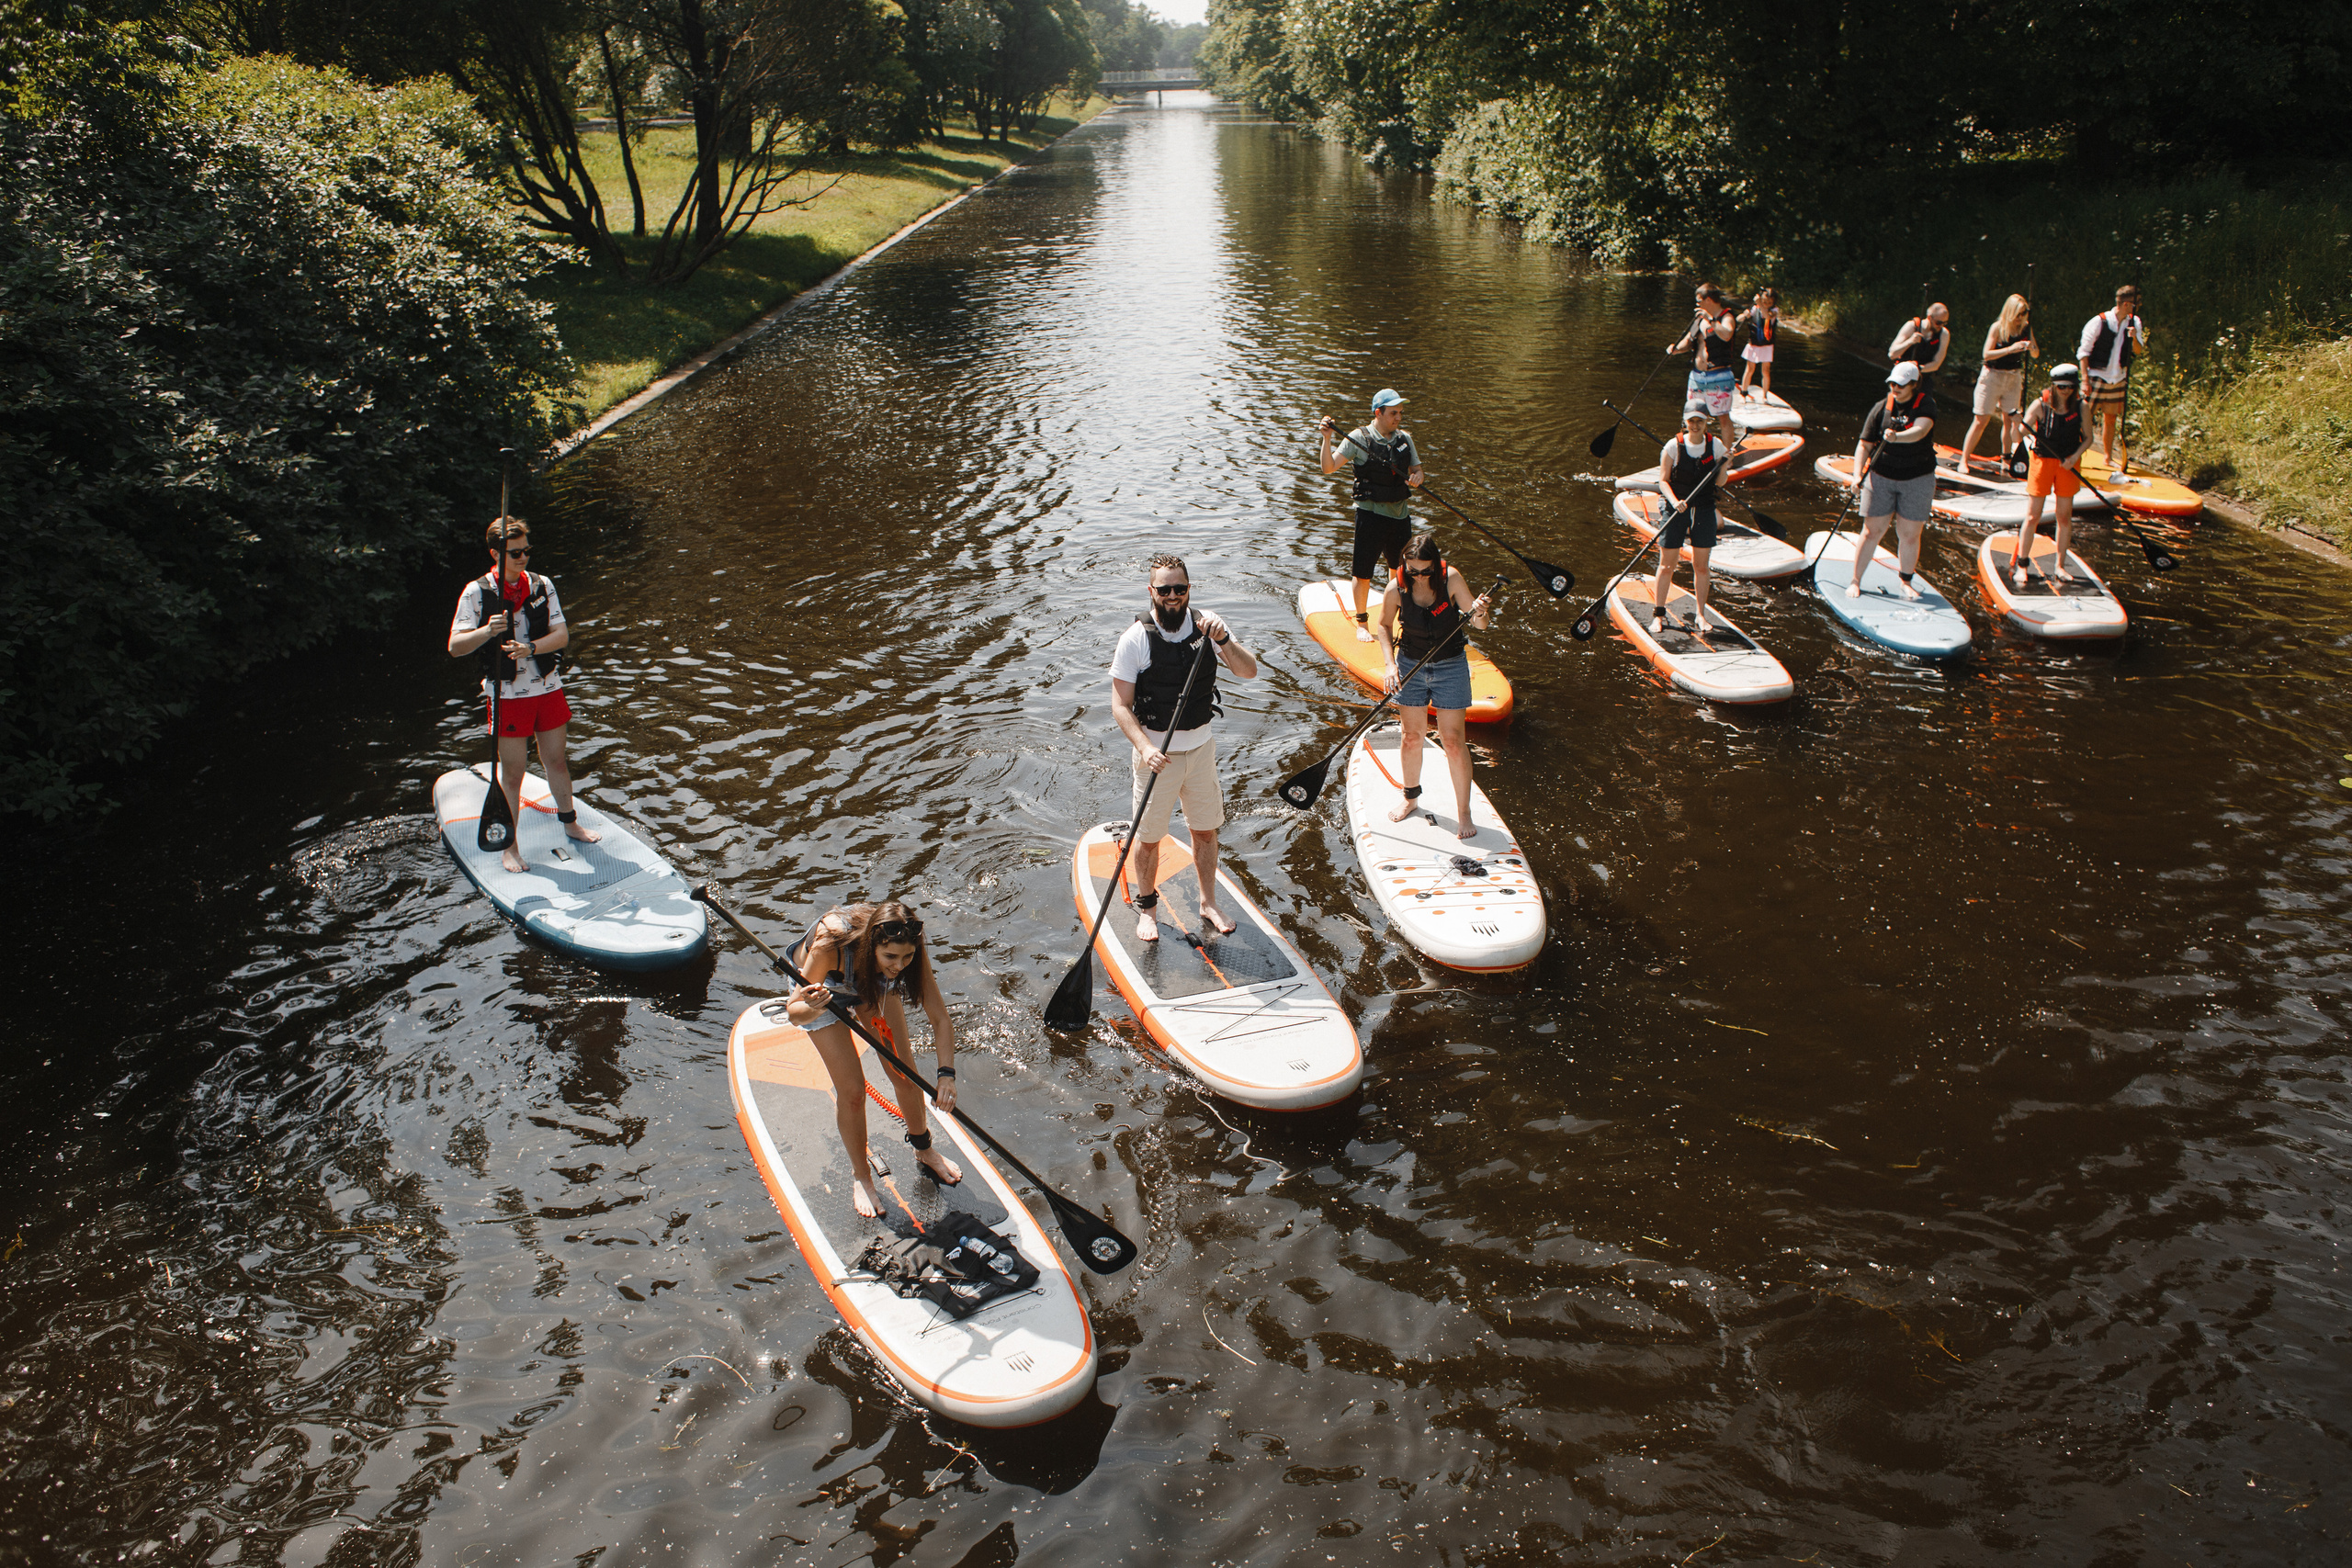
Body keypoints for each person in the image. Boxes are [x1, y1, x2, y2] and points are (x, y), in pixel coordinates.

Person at [1108, 555, 1261, 942]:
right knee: (1149, 837)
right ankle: (1148, 909)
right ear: (1152, 592)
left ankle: (1208, 902)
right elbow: (1119, 706)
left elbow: (1248, 671)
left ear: (1189, 588)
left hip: (1201, 750)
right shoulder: (1136, 638)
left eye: (1180, 588)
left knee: (1206, 832)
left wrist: (1224, 639)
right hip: (1157, 756)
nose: (1172, 596)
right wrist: (1144, 747)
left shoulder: (1208, 626)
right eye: (1164, 590)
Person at [782, 902, 961, 1221]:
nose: (900, 966)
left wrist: (946, 1075)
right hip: (823, 993)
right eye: (891, 957)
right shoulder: (829, 945)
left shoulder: (907, 952)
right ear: (873, 945)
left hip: (870, 984)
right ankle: (861, 1176)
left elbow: (940, 1018)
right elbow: (794, 1012)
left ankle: (924, 1149)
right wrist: (815, 1006)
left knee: (903, 1072)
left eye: (906, 957)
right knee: (852, 1094)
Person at [447, 514, 599, 874]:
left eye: (527, 550)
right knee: (513, 773)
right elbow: (455, 646)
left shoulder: (541, 584)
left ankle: (571, 823)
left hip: (547, 687)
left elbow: (561, 635)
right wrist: (486, 631)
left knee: (556, 761)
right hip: (508, 695)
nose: (523, 558)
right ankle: (511, 847)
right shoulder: (476, 591)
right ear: (495, 553)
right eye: (515, 553)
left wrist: (530, 648)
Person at [1372, 534, 1492, 840]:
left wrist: (1480, 611)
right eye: (1413, 571)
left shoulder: (1450, 579)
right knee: (1411, 737)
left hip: (1450, 665)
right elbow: (1383, 625)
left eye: (1425, 571)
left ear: (1435, 566)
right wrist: (1389, 664)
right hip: (1410, 664)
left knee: (1452, 741)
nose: (1420, 577)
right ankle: (1410, 798)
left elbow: (1480, 625)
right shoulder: (1396, 586)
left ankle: (1463, 813)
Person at [1318, 390, 1422, 642]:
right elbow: (1328, 467)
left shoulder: (1405, 438)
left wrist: (1418, 477)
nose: (1398, 418)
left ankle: (1396, 617)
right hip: (1370, 516)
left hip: (1400, 515)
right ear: (1378, 413)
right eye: (1393, 413)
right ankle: (1362, 623)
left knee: (1399, 570)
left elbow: (1417, 470)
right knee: (1363, 573)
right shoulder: (1358, 438)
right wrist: (1327, 438)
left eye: (1400, 413)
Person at [1848, 362, 1939, 601]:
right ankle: (1856, 581)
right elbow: (1864, 445)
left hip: (1917, 478)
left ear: (1913, 385)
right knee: (1871, 531)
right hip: (1881, 477)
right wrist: (1857, 475)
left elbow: (1920, 431)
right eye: (1892, 383)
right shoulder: (1881, 408)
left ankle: (1906, 581)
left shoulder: (1926, 405)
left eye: (1900, 384)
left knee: (1909, 534)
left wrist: (1896, 437)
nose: (1894, 388)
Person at [1651, 401, 1729, 633]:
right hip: (1676, 509)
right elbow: (1663, 481)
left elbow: (1720, 482)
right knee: (1667, 565)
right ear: (1685, 422)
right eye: (1691, 421)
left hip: (1704, 509)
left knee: (1701, 566)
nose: (1695, 425)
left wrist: (1725, 464)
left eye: (1700, 421)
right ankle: (1659, 614)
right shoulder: (1672, 447)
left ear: (1707, 423)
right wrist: (1675, 502)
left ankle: (1701, 615)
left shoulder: (1716, 446)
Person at [2009, 363, 2088, 589]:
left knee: (2064, 517)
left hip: (2068, 464)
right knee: (2033, 516)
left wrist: (2074, 457)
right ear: (2053, 386)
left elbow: (2089, 439)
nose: (2065, 391)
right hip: (2042, 462)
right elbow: (2018, 437)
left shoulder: (2081, 406)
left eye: (2070, 387)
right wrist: (2017, 423)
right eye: (2061, 387)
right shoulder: (2040, 404)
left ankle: (2060, 566)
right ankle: (2022, 565)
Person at [1955, 293, 2037, 472]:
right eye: (2018, 314)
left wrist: (2031, 347)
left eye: (2024, 314)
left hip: (2013, 377)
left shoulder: (2025, 328)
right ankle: (1964, 459)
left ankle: (2006, 459)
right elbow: (1986, 354)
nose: (2021, 318)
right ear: (2010, 312)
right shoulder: (1997, 328)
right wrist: (2010, 349)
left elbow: (2036, 353)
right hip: (1992, 376)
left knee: (2009, 419)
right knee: (1981, 420)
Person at [2077, 284, 2147, 469]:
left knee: (2111, 418)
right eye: (2135, 303)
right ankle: (2074, 454)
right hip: (2096, 377)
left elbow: (2138, 351)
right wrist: (2084, 379)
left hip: (2118, 377)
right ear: (2126, 304)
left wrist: (2133, 338)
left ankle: (2107, 457)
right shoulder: (2099, 322)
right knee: (2083, 418)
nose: (2137, 306)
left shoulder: (2134, 322)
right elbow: (2083, 353)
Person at [1670, 285, 1740, 426]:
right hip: (1697, 376)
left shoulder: (1726, 317)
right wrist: (1676, 349)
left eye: (1699, 301)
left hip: (1719, 375)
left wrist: (1711, 320)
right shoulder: (1699, 319)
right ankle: (1698, 446)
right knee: (1694, 415)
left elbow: (1727, 334)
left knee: (1723, 418)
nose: (1697, 305)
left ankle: (1727, 449)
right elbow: (1689, 340)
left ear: (1708, 300)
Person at [1888, 302, 1952, 387]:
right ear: (1929, 317)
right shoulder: (1912, 326)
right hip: (1902, 377)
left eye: (1944, 323)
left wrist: (1917, 369)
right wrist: (1910, 341)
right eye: (1938, 323)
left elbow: (1936, 364)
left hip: (1922, 379)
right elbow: (1892, 354)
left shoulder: (1944, 334)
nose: (1941, 326)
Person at [1736, 287, 1779, 400]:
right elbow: (1739, 319)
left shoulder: (1774, 311)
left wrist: (1760, 303)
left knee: (1765, 370)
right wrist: (1745, 315)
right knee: (1750, 369)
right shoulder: (1755, 308)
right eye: (1764, 301)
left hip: (1767, 344)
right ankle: (1744, 393)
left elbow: (1767, 317)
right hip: (1753, 343)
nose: (1767, 304)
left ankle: (1765, 396)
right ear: (1761, 299)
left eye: (1770, 302)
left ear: (1774, 302)